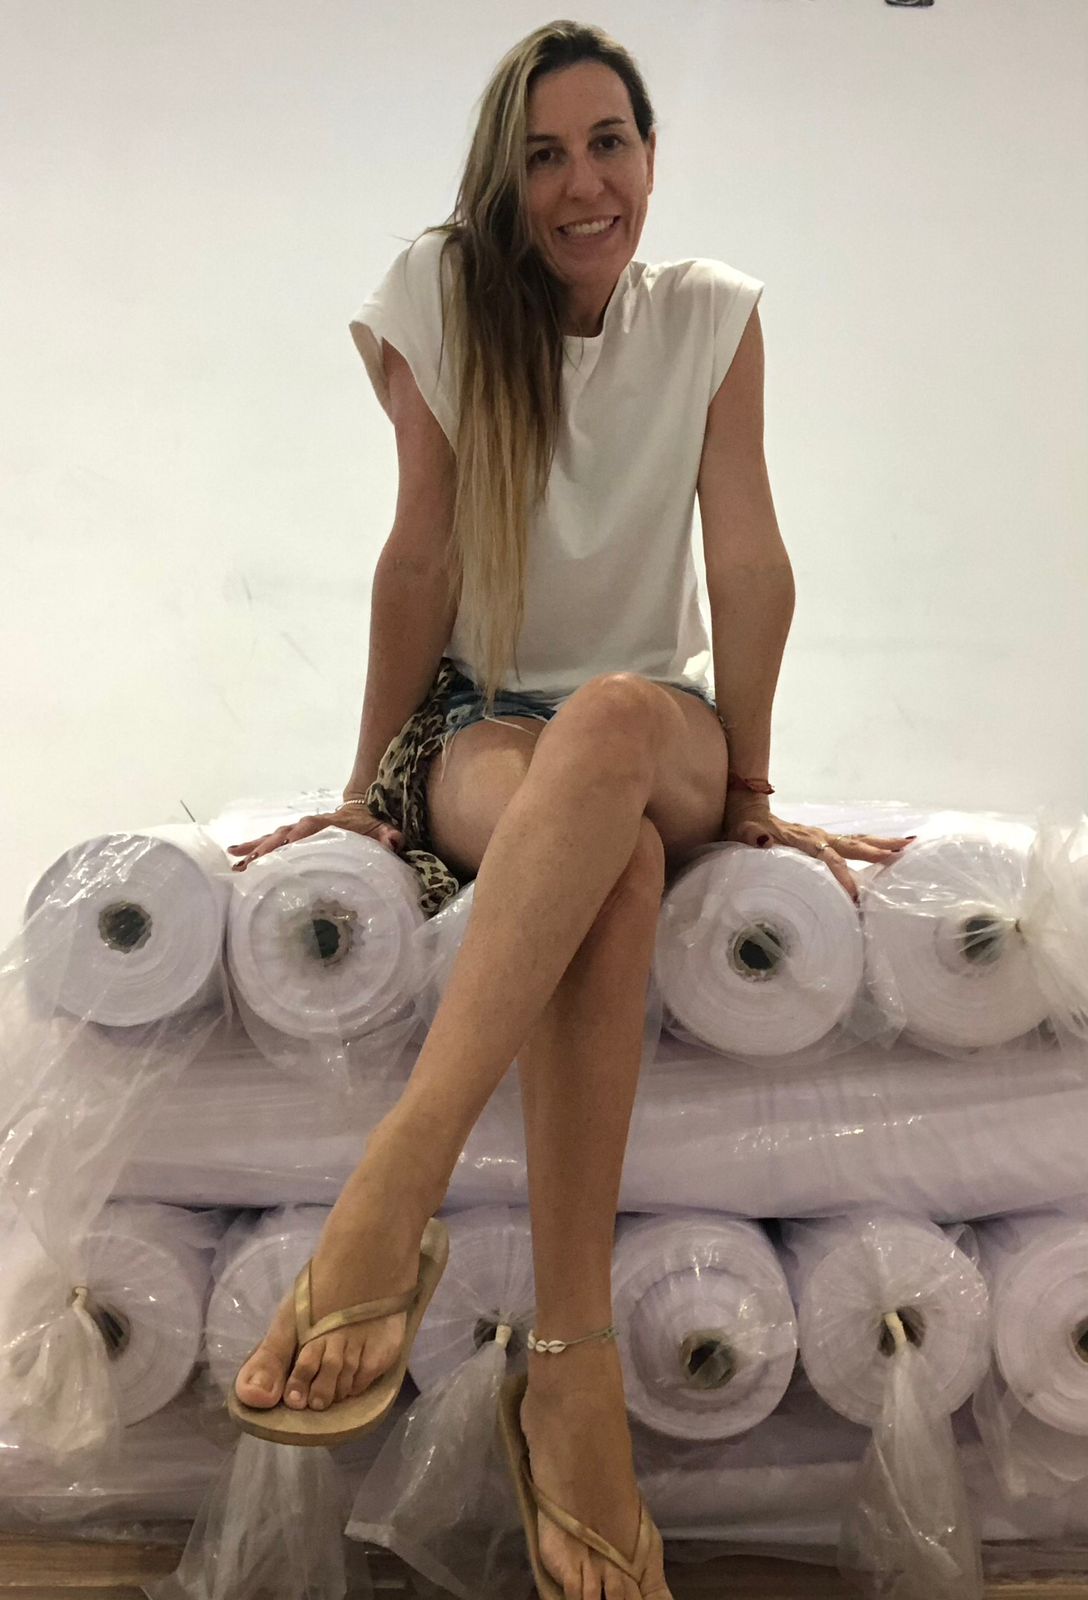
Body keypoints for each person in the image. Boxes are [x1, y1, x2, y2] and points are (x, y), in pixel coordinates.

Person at [225, 21, 913, 1600]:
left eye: (610, 142)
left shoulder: (715, 320)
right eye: (545, 154)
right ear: (507, 178)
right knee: (592, 871)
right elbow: (422, 560)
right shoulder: (443, 304)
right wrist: (360, 803)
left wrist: (749, 793)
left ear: (653, 159)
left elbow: (745, 551)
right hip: (485, 725)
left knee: (609, 725)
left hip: (650, 722)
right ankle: (574, 1378)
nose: (582, 181)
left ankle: (389, 1199)